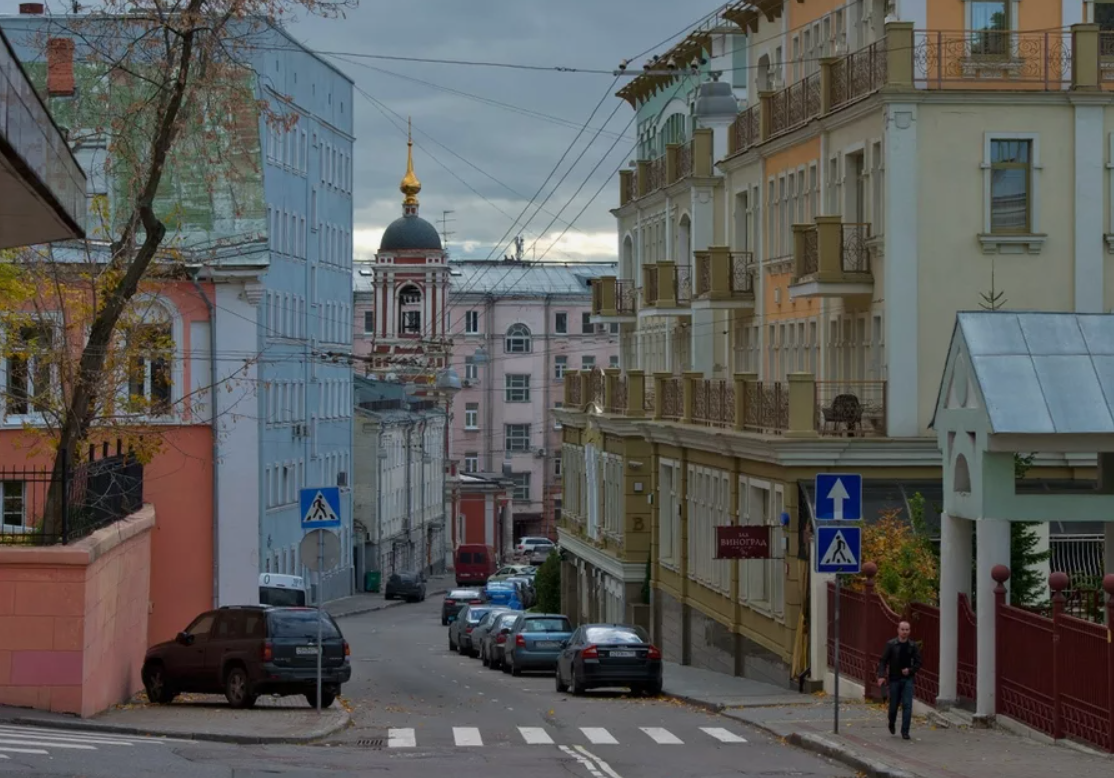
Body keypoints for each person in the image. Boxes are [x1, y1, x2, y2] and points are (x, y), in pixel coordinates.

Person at [876, 620, 921, 740]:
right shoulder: (891, 644)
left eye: (907, 630)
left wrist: (910, 670)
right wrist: (881, 675)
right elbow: (883, 661)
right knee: (893, 706)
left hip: (908, 680)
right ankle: (891, 722)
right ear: (898, 630)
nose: (905, 632)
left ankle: (905, 731)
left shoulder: (913, 646)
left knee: (907, 705)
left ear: (909, 631)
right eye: (903, 629)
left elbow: (918, 663)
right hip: (894, 679)